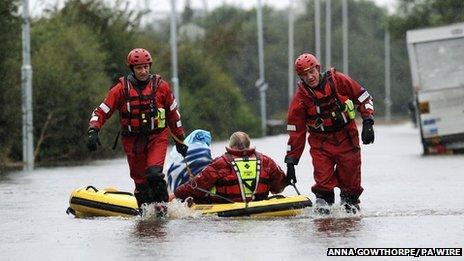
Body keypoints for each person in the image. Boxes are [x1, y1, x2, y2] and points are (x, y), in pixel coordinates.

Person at [86, 48, 188, 208]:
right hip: (132, 140)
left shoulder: (162, 87)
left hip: (157, 137)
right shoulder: (120, 89)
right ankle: (145, 214)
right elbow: (102, 111)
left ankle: (164, 209)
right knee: (141, 184)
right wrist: (93, 130)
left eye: (146, 67)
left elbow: (173, 115)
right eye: (139, 68)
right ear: (132, 69)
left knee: (154, 174)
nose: (143, 71)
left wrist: (180, 139)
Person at [285, 53, 374, 214]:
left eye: (311, 72)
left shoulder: (339, 81)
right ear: (300, 77)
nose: (310, 77)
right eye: (305, 75)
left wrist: (368, 121)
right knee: (323, 183)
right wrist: (291, 161)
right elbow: (295, 132)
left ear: (318, 68)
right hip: (321, 143)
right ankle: (324, 214)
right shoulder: (300, 99)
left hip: (347, 138)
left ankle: (350, 210)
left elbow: (364, 97)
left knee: (351, 186)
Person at [173, 131, 287, 203]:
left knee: (198, 195)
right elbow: (279, 187)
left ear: (230, 146)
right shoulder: (266, 161)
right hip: (260, 206)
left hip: (227, 207)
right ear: (249, 145)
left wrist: (175, 194)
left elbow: (196, 187)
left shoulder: (221, 163)